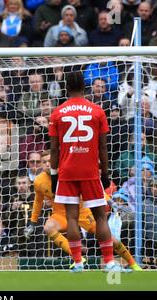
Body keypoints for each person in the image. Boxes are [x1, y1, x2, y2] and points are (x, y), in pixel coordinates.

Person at [49, 71, 130, 272]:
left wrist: (53, 173)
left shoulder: (57, 112)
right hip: (90, 170)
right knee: (101, 217)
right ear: (85, 87)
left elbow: (54, 149)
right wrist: (105, 173)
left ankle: (78, 263)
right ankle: (110, 263)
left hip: (67, 171)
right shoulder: (97, 111)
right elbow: (103, 146)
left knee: (72, 218)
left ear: (66, 88)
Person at [25, 150, 142, 271]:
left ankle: (133, 263)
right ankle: (79, 259)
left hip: (82, 213)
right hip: (61, 215)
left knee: (110, 239)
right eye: (44, 162)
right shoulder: (39, 181)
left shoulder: (69, 173)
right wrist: (32, 222)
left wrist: (111, 203)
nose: (48, 164)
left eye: (50, 161)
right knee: (48, 228)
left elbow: (95, 189)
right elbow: (38, 201)